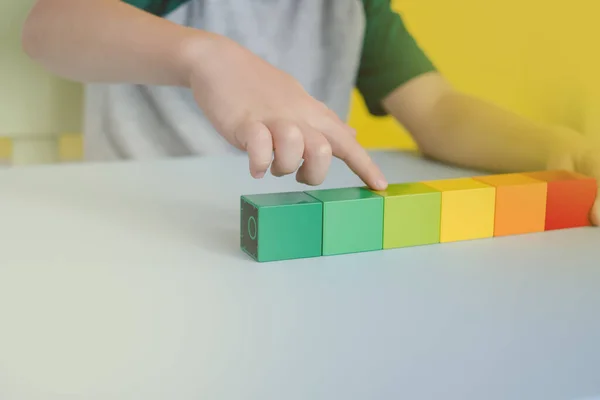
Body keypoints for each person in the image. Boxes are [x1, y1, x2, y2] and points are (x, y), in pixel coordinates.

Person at [21, 0, 599, 224]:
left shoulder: (352, 7)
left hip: (290, 239)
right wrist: (204, 58)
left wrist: (563, 150)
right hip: (135, 228)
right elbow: (45, 27)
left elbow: (437, 108)